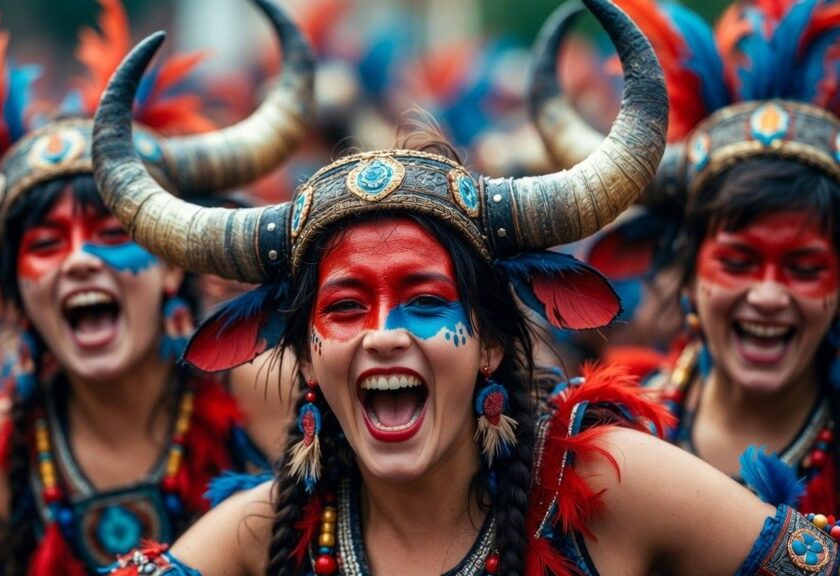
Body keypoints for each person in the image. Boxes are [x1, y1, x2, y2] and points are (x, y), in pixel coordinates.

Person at [90, 1, 840, 574]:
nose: (386, 334)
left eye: (425, 301)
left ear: (487, 342)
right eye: (346, 309)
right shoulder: (271, 526)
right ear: (309, 358)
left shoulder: (612, 481)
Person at [0, 0, 315, 573]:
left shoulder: (264, 388)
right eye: (45, 246)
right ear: (13, 296)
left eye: (112, 234)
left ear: (171, 263)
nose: (77, 262)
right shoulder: (0, 443)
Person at [529, 0, 840, 515]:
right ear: (688, 273)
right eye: (737, 263)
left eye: (805, 269)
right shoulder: (607, 433)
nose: (767, 295)